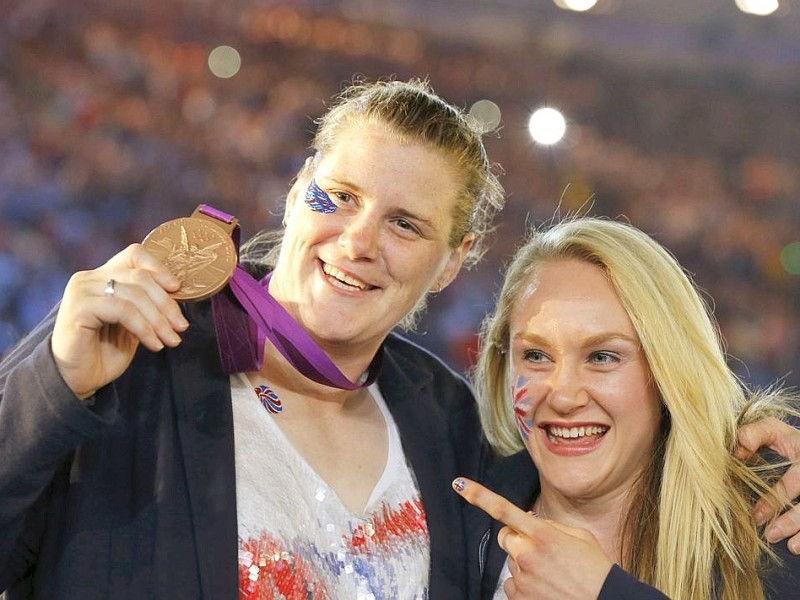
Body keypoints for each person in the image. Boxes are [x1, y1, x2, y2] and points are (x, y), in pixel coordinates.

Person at [0, 79, 798, 600]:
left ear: (452, 264)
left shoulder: (450, 429)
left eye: (405, 224)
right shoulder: (129, 357)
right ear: (295, 190)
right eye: (337, 196)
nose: (357, 240)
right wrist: (50, 382)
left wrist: (756, 454)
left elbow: (609, 442)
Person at [453, 216, 800, 599]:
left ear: (668, 371)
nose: (564, 396)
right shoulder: (449, 524)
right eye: (536, 355)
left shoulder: (776, 524)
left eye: (602, 357)